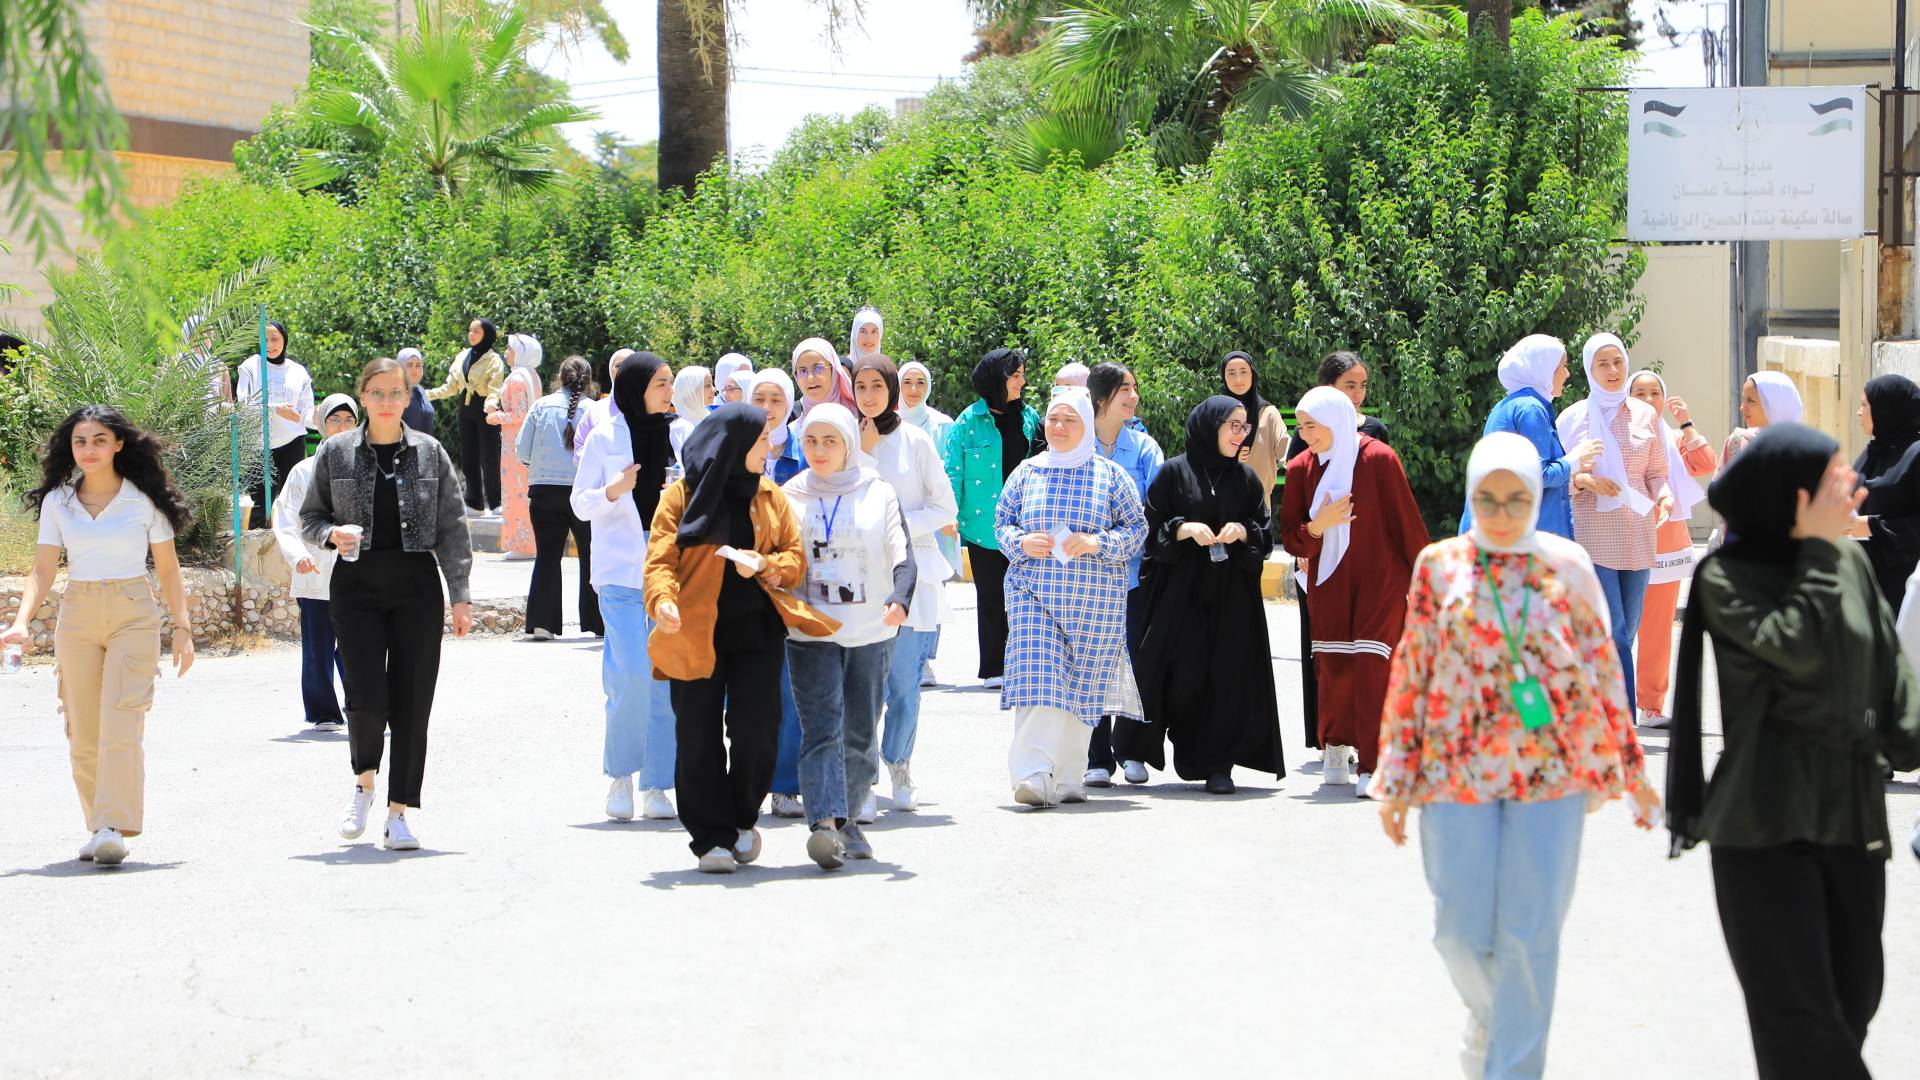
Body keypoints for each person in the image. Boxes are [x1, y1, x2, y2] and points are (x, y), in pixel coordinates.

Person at [1374, 432, 1660, 1080]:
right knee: (1457, 933)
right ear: (1472, 498)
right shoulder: (1439, 565)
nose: (1502, 515)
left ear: (1537, 496)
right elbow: (1412, 669)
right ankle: (1494, 1018)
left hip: (1550, 777)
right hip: (1454, 774)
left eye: (1517, 499)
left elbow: (1602, 671)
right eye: (1488, 500)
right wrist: (1395, 781)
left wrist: (1634, 773)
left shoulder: (1568, 565)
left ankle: (1511, 1065)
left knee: (1530, 941)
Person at [1668, 424, 1920, 1080]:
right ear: (1796, 494)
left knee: (1854, 1001)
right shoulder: (1727, 576)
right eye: (1838, 475)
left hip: (1851, 821)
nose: (1856, 484)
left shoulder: (1848, 562)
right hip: (1763, 826)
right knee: (1801, 1024)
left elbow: (1892, 679)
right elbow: (1798, 652)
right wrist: (1813, 549)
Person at [643, 402, 839, 873]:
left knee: (757, 734)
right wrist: (663, 601)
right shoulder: (681, 496)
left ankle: (739, 818)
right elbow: (659, 561)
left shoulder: (769, 494)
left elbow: (794, 559)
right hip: (694, 630)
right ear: (733, 444)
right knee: (696, 737)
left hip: (756, 630)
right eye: (759, 440)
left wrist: (765, 565)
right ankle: (711, 837)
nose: (769, 447)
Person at [4, 406, 197, 867]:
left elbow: (168, 571)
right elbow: (43, 569)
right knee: (83, 729)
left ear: (118, 445)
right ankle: (98, 825)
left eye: (98, 440)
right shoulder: (59, 503)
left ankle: (114, 825)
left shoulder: (144, 501)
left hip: (133, 612)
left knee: (121, 720)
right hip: (79, 614)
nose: (88, 450)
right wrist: (20, 621)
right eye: (79, 442)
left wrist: (183, 630)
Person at [301, 358, 475, 852]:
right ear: (363, 397)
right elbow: (309, 516)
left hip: (417, 584)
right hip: (356, 584)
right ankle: (364, 783)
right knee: (364, 696)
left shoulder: (429, 452)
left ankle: (399, 811)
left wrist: (459, 595)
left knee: (413, 700)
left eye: (394, 393)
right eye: (375, 393)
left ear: (406, 396)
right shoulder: (335, 452)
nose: (385, 402)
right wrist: (331, 534)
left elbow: (453, 528)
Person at [1120, 396, 1282, 793]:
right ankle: (1136, 751)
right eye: (1233, 426)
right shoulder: (1173, 473)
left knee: (1225, 677)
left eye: (1245, 427)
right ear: (1210, 426)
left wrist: (1243, 532)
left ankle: (1218, 764)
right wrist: (1182, 529)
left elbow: (1263, 531)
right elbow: (1148, 527)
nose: (1240, 435)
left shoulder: (1245, 479)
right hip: (1177, 593)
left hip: (1230, 596)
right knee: (1172, 674)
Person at [994, 386, 1147, 807]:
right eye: (1053, 419)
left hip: (1093, 602)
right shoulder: (1027, 472)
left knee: (1081, 685)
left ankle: (1067, 774)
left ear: (1086, 426)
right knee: (1037, 677)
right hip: (1033, 595)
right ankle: (1031, 773)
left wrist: (1097, 543)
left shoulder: (1109, 475)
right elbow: (1002, 523)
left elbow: (1136, 530)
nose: (1058, 427)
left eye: (1069, 420)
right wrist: (1022, 543)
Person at [1280, 386, 1428, 796]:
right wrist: (1319, 525)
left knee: (1372, 664)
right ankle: (1335, 745)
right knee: (1334, 667)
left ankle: (1373, 765)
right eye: (1303, 426)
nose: (1307, 435)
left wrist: (1424, 577)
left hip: (1381, 580)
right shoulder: (1300, 470)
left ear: (1337, 420)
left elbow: (1407, 524)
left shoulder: (1378, 459)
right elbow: (1292, 539)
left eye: (1313, 426)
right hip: (1329, 584)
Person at [782, 403, 912, 868]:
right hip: (810, 630)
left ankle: (850, 816)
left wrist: (900, 595)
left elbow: (902, 552)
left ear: (848, 446)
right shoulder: (789, 495)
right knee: (821, 728)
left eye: (830, 441)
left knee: (859, 732)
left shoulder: (877, 492)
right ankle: (824, 822)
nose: (819, 450)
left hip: (870, 629)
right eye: (811, 441)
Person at [572, 354, 680, 822]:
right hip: (618, 572)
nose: (668, 391)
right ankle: (621, 774)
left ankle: (657, 784)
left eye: (671, 383)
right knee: (631, 672)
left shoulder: (679, 435)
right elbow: (580, 504)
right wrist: (613, 490)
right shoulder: (604, 437)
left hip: (667, 572)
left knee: (663, 677)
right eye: (660, 383)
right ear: (636, 388)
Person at [853, 354, 955, 814]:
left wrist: (893, 527)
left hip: (912, 579)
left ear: (892, 389)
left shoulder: (916, 442)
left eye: (877, 386)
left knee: (904, 686)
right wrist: (865, 451)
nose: (869, 395)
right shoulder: (847, 439)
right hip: (859, 583)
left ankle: (900, 765)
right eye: (861, 387)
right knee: (863, 687)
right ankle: (862, 777)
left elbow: (945, 508)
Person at [1554, 334, 1671, 717]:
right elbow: (1561, 476)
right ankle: (1621, 717)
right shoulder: (1572, 418)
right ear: (1589, 368)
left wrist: (1665, 495)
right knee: (1615, 629)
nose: (1612, 371)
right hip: (1593, 532)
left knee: (1628, 629)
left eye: (1618, 362)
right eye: (1603, 363)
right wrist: (1585, 480)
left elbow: (1656, 472)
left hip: (1638, 533)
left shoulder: (1644, 414)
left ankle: (1597, 701)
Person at [1284, 350, 1391, 752]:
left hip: (1366, 558)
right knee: (1326, 652)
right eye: (1350, 385)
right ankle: (1330, 738)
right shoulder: (1310, 435)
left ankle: (1365, 741)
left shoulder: (1375, 437)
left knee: (1368, 651)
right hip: (1319, 553)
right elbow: (1300, 494)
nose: (1358, 393)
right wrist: (1309, 537)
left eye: (1363, 385)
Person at [1078, 362, 1164, 787]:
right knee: (1090, 661)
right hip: (1085, 576)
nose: (1132, 396)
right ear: (1099, 400)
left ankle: (1130, 748)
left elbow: (1159, 505)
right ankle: (1096, 757)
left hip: (1134, 576)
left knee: (1131, 660)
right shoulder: (1077, 444)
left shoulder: (1145, 449)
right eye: (1123, 390)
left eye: (1134, 388)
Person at [945, 347, 1042, 689]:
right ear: (997, 379)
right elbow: (953, 471)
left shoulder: (1030, 418)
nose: (1022, 382)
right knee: (989, 596)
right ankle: (993, 669)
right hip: (981, 525)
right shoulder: (968, 422)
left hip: (1025, 525)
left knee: (1024, 596)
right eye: (1015, 376)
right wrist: (950, 515)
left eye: (1022, 375)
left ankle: (1023, 663)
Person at [1626, 370, 1715, 727]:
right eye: (1640, 393)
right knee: (1619, 626)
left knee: (1658, 628)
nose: (1648, 400)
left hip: (1665, 544)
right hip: (1625, 538)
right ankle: (1612, 704)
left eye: (1654, 393)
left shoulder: (1674, 438)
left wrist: (1687, 423)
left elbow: (1706, 463)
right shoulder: (1621, 435)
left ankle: (1650, 705)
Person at [274, 394, 360, 730]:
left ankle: (362, 703)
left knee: (360, 643)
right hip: (316, 570)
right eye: (334, 420)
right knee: (318, 645)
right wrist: (299, 556)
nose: (342, 427)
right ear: (322, 425)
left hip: (357, 571)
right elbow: (285, 519)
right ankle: (323, 711)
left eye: (348, 420)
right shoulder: (303, 472)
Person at [1460, 335, 1600, 541]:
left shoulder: (1508, 405)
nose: (1567, 374)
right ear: (1545, 369)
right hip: (1522, 539)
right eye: (1562, 366)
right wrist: (1575, 460)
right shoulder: (1530, 408)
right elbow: (1536, 475)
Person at [746, 368, 808, 819]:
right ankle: (745, 779)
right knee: (744, 690)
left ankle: (785, 784)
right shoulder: (732, 446)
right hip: (737, 582)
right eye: (759, 399)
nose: (767, 408)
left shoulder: (807, 450)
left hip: (788, 580)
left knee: (788, 687)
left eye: (776, 399)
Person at [518, 356, 604, 640]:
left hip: (544, 491)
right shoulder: (595, 410)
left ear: (560, 377)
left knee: (547, 556)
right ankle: (597, 623)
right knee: (590, 556)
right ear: (589, 380)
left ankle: (543, 624)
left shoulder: (540, 405)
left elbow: (522, 451)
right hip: (583, 491)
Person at [899, 359, 960, 687]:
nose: (913, 389)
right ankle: (904, 654)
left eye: (920, 383)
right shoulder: (889, 422)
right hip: (903, 514)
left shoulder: (942, 424)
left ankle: (925, 659)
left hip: (935, 516)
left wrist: (950, 516)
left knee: (934, 586)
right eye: (907, 382)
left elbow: (951, 471)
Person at [234, 320, 316, 529]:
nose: (269, 344)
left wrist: (319, 419)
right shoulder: (251, 367)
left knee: (292, 499)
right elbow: (243, 404)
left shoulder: (298, 372)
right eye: (265, 339)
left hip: (292, 442)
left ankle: (291, 549)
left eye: (274, 339)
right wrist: (275, 408)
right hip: (260, 444)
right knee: (261, 503)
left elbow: (305, 410)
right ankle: (255, 552)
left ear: (284, 340)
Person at [1847, 373, 1920, 607]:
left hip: (1899, 585)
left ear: (1885, 409)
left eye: (1864, 405)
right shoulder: (1875, 450)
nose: (1859, 412)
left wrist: (1872, 526)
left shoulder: (1915, 454)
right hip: (1862, 578)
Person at [427, 318, 506, 515]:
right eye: (470, 330)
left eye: (476, 331)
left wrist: (491, 404)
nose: (471, 335)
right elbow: (451, 386)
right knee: (469, 456)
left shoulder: (494, 360)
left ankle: (496, 502)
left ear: (487, 334)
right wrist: (427, 394)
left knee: (490, 456)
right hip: (466, 406)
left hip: (486, 410)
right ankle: (474, 502)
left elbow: (495, 388)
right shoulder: (462, 356)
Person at [486, 333, 542, 561]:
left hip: (515, 443)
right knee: (523, 492)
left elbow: (519, 414)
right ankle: (528, 543)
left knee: (515, 492)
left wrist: (494, 416)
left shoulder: (517, 378)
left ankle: (522, 545)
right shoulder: (532, 376)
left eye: (510, 349)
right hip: (525, 441)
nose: (506, 353)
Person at [1219, 351, 1289, 511]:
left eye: (1244, 372)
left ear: (1253, 375)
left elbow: (1286, 449)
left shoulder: (1268, 414)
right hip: (1220, 503)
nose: (1238, 379)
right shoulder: (1215, 415)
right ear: (1224, 378)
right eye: (1231, 373)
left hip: (1259, 504)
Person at [1720, 370, 1805, 466]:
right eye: (1744, 400)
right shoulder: (1736, 442)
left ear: (1775, 405)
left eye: (1750, 400)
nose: (1742, 407)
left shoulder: (1803, 452)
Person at [573, 348, 633, 462]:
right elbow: (579, 451)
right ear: (611, 371)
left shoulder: (648, 408)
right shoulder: (595, 410)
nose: (624, 370)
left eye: (630, 365)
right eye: (619, 365)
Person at [793, 337, 855, 415]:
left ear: (833, 371)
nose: (810, 378)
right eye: (802, 371)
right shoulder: (790, 418)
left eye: (818, 368)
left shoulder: (862, 415)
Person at [668, 365, 713, 463]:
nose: (714, 390)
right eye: (707, 385)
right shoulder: (679, 426)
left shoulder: (713, 418)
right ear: (691, 390)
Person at [397, 347, 435, 435]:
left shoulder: (420, 391)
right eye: (409, 365)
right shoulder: (394, 393)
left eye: (418, 365)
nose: (414, 370)